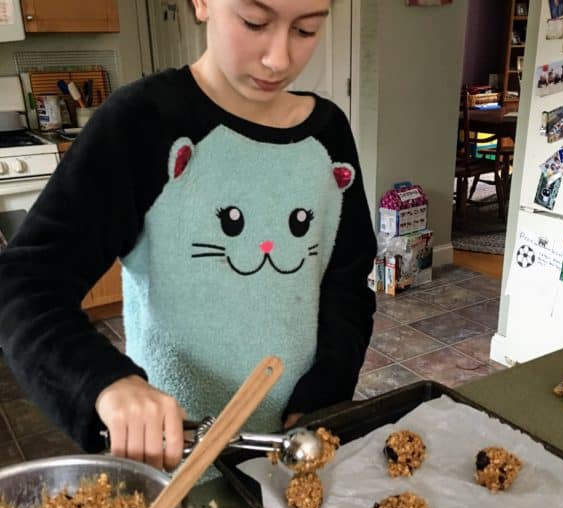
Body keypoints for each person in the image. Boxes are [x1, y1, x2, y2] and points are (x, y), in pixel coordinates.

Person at [0, 0, 376, 472]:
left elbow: (346, 285)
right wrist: (106, 384)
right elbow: (23, 284)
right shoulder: (141, 122)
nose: (279, 59)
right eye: (254, 22)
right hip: (176, 460)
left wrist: (325, 394)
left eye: (305, 30)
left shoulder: (328, 135)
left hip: (291, 451)